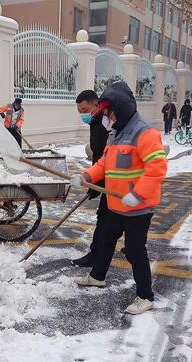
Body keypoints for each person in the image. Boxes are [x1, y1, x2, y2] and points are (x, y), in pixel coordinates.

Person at [69, 82, 167, 315]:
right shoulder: (116, 133)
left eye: (108, 112)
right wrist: (86, 175)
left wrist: (138, 194)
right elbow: (104, 164)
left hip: (137, 207)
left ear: (120, 109)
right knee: (105, 240)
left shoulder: (145, 133)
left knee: (134, 250)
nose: (106, 117)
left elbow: (157, 168)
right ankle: (97, 277)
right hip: (115, 204)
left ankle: (145, 296)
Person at [71, 89, 110, 267]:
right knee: (106, 220)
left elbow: (105, 157)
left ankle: (96, 256)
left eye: (85, 110)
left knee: (105, 221)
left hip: (114, 181)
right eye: (80, 112)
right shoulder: (96, 121)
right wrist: (92, 180)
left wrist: (94, 182)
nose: (83, 115)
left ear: (96, 104)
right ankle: (97, 255)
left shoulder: (104, 123)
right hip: (104, 178)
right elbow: (98, 158)